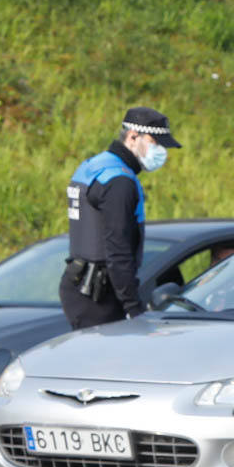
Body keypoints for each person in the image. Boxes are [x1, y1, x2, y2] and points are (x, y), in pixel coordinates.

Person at [60, 106, 182, 329]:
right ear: (133, 137)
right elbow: (118, 250)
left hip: (79, 285)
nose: (161, 151)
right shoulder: (120, 182)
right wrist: (134, 310)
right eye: (156, 143)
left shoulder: (94, 166)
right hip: (99, 296)